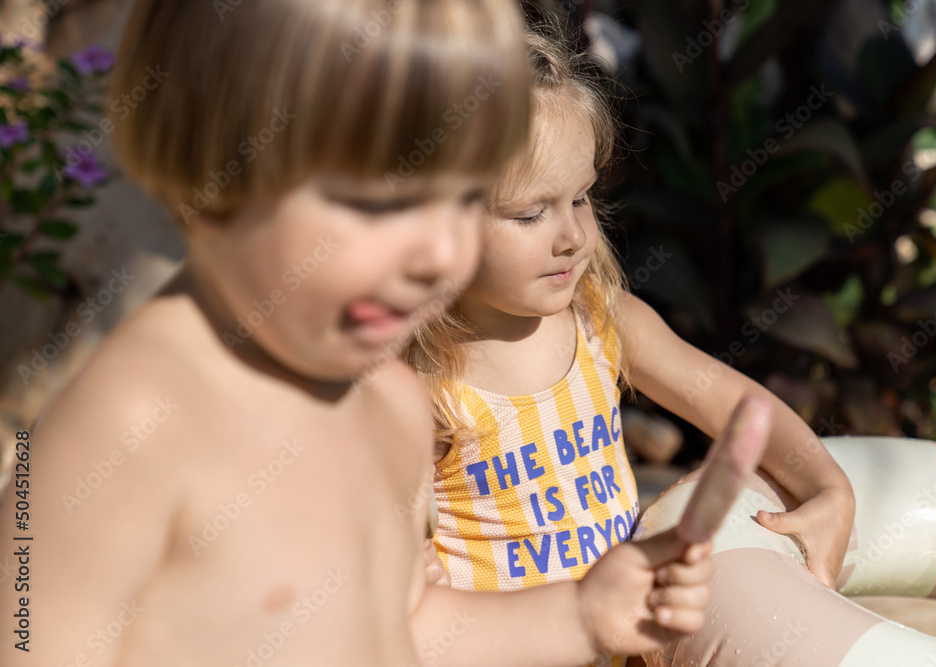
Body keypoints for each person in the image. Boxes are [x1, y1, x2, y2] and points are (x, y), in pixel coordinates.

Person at [0, 2, 715, 666]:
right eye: (377, 204)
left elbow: (408, 623)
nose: (439, 253)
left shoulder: (393, 403)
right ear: (209, 176)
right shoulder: (129, 421)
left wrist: (581, 615)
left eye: (465, 199)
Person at [406, 27, 856, 665]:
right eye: (531, 214)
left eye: (581, 198)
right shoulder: (421, 382)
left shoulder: (605, 323)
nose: (571, 236)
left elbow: (742, 411)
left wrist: (828, 488)